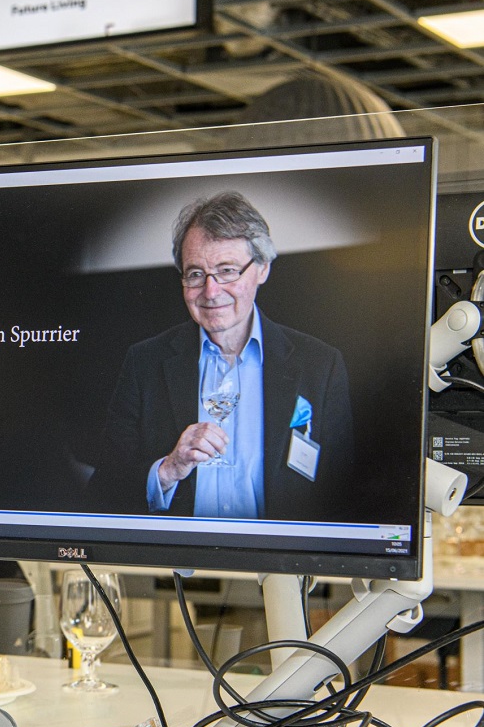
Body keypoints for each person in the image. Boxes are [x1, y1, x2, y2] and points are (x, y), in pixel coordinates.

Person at [89, 191, 355, 521]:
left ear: (262, 269)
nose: (211, 292)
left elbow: (345, 495)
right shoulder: (144, 363)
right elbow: (103, 493)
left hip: (279, 568)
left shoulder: (319, 366)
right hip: (178, 566)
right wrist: (169, 469)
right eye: (196, 274)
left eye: (227, 270)